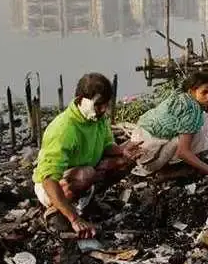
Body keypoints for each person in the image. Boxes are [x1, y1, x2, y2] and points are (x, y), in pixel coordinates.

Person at [33, 73, 142, 237]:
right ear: (80, 100)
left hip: (84, 171)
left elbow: (106, 146)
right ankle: (57, 209)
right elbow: (48, 180)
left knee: (124, 162)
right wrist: (74, 219)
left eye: (105, 105)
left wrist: (122, 150)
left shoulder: (97, 119)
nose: (103, 110)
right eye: (98, 105)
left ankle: (85, 201)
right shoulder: (64, 129)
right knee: (86, 174)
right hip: (51, 187)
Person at [129, 72, 208, 190]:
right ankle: (166, 171)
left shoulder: (179, 95)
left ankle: (170, 166)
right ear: (191, 92)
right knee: (196, 130)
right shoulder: (191, 111)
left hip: (140, 149)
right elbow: (182, 152)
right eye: (204, 92)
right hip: (148, 161)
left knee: (199, 122)